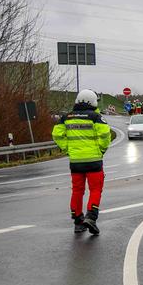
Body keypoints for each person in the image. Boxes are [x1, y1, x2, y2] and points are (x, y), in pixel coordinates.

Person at [52, 89, 111, 236]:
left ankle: (78, 221)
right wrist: (102, 150)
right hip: (94, 161)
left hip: (76, 161)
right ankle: (91, 217)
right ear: (93, 102)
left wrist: (67, 148)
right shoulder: (96, 117)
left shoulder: (66, 117)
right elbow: (105, 135)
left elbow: (56, 134)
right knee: (95, 190)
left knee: (77, 190)